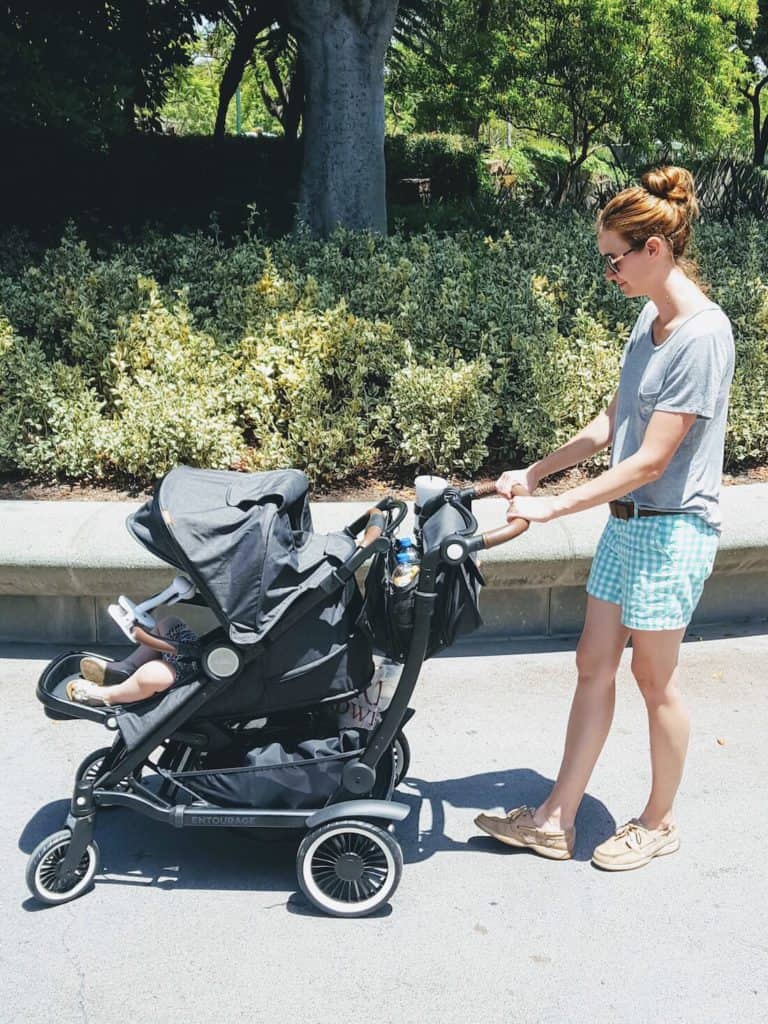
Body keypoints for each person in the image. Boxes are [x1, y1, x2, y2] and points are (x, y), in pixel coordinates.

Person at [475, 166, 735, 871]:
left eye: (614, 258)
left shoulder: (703, 336)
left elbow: (652, 460)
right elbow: (614, 422)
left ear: (655, 248)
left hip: (673, 527)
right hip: (627, 525)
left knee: (655, 681)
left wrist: (555, 507)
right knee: (593, 664)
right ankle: (557, 819)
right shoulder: (648, 320)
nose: (609, 271)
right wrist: (537, 470)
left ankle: (659, 820)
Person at [66, 615, 198, 706]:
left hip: (198, 677)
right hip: (204, 654)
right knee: (169, 623)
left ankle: (108, 695)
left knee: (152, 674)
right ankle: (126, 669)